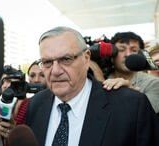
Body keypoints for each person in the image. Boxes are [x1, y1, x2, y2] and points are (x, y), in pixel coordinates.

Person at [25, 26, 159, 146]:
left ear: (86, 58)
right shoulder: (34, 104)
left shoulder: (132, 105)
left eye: (66, 59)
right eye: (47, 62)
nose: (55, 71)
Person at [101, 32, 159, 113]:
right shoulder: (99, 76)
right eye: (121, 49)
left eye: (134, 50)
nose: (128, 54)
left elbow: (147, 114)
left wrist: (130, 92)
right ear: (111, 55)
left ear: (141, 55)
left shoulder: (153, 83)